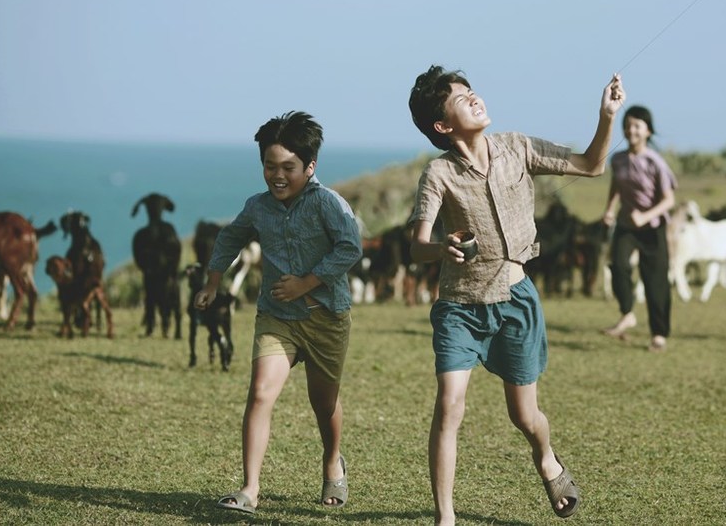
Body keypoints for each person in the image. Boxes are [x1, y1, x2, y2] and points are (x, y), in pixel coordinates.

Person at [407, 64, 625, 525]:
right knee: (449, 405)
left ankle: (547, 458)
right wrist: (438, 247)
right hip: (459, 309)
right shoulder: (439, 173)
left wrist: (606, 117)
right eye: (460, 98)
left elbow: (591, 165)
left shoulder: (517, 147)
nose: (474, 98)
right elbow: (416, 244)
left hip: (515, 300)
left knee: (525, 417)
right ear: (442, 126)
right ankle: (444, 517)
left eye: (472, 91)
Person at [194, 111, 362, 514]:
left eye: (289, 167)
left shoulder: (328, 203)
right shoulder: (258, 207)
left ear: (310, 166)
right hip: (276, 317)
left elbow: (350, 247)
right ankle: (250, 488)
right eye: (270, 166)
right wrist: (213, 282)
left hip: (326, 317)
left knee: (324, 404)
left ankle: (332, 460)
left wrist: (307, 281)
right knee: (260, 393)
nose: (278, 176)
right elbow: (230, 237)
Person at [600, 105, 677, 351]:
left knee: (656, 281)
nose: (631, 130)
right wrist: (610, 209)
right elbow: (616, 186)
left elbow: (669, 200)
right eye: (628, 125)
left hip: (653, 227)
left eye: (637, 126)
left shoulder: (655, 162)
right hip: (626, 224)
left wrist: (645, 217)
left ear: (648, 131)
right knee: (618, 265)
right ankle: (627, 314)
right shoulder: (618, 159)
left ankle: (659, 334)